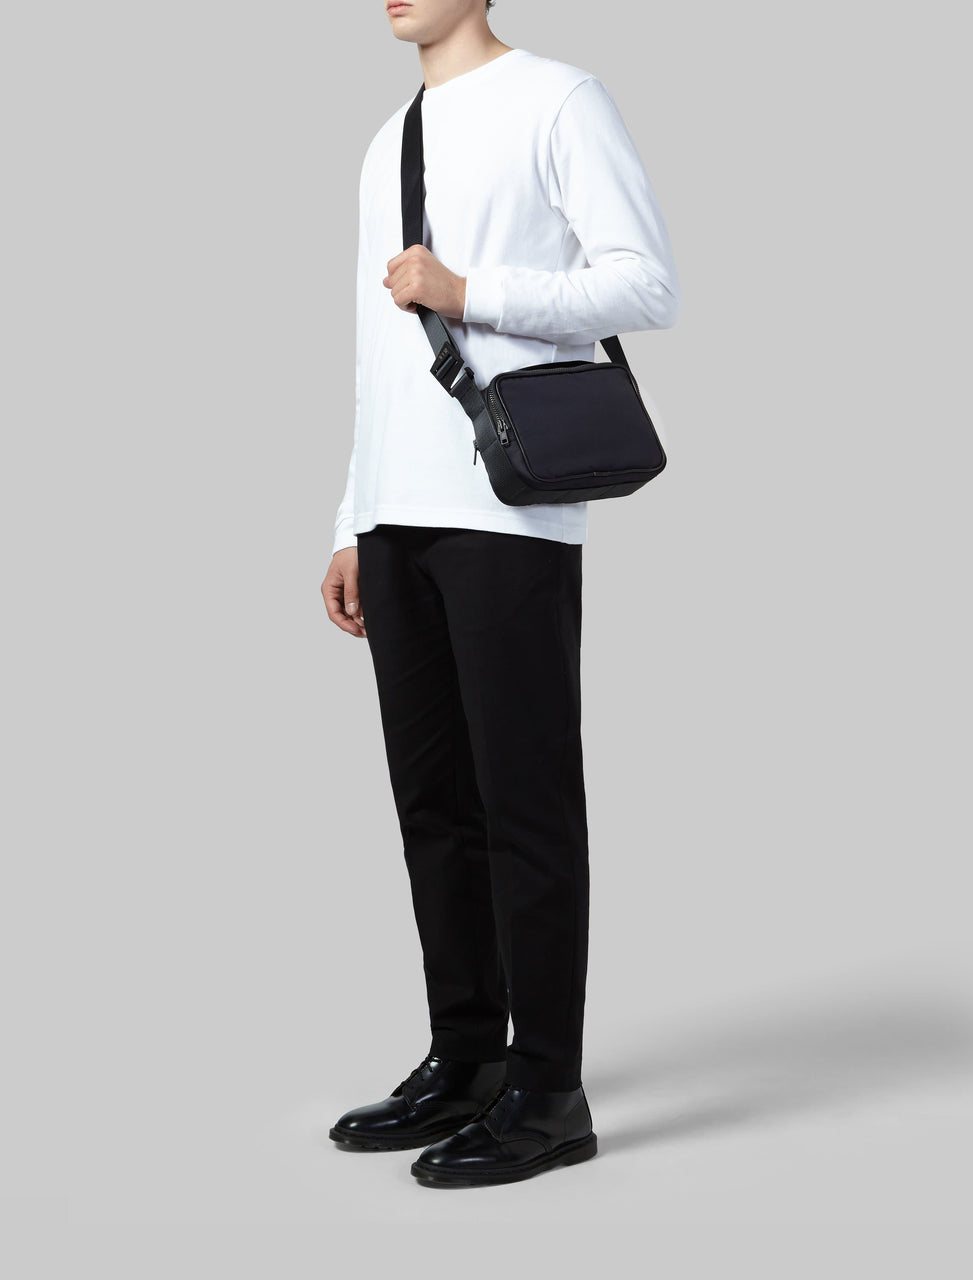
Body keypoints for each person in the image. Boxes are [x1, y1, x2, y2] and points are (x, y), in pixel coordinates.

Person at [321, 0, 680, 1188]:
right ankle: (466, 1056)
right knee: (432, 802)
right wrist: (351, 518)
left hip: (507, 507)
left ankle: (548, 1091)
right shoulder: (390, 138)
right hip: (398, 515)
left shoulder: (559, 99)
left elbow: (644, 285)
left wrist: (469, 288)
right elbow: (377, 351)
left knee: (525, 802)